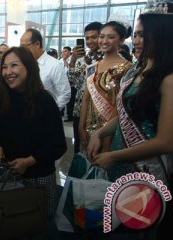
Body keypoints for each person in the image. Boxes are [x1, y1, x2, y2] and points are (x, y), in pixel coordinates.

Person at [87, 8, 173, 240]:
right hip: (119, 161)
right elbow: (125, 113)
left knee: (139, 226)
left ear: (162, 36)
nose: (136, 40)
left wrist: (115, 156)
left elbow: (166, 142)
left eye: (143, 35)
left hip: (145, 168)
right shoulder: (137, 70)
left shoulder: (168, 79)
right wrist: (100, 133)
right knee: (115, 223)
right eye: (135, 34)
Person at [0, 46, 67, 238]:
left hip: (39, 177)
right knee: (11, 221)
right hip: (9, 175)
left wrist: (29, 161)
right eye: (5, 66)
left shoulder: (45, 100)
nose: (8, 72)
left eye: (14, 65)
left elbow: (58, 144)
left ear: (29, 67)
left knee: (38, 224)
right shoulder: (5, 99)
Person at [79, 21, 132, 153]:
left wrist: (108, 138)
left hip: (113, 130)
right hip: (89, 127)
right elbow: (86, 99)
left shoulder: (128, 69)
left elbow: (120, 106)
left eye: (111, 37)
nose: (104, 41)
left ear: (121, 40)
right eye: (102, 36)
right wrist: (81, 127)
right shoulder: (92, 68)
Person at [68, 21, 103, 153]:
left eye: (94, 37)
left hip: (96, 112)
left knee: (94, 149)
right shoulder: (83, 58)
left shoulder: (105, 58)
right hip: (78, 109)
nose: (90, 41)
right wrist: (73, 60)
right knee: (79, 146)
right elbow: (73, 82)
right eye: (87, 38)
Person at [20, 28, 71, 112]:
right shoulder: (24, 64)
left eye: (24, 47)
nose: (21, 51)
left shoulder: (54, 65)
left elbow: (65, 94)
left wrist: (50, 112)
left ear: (37, 44)